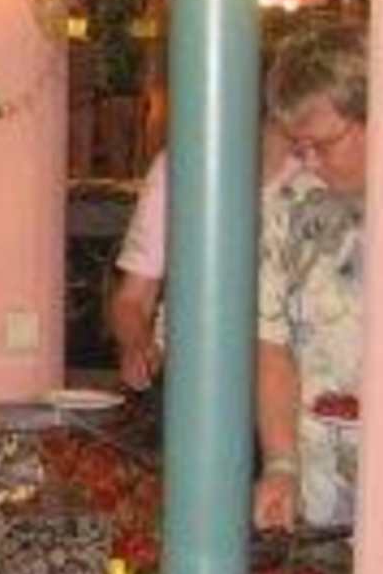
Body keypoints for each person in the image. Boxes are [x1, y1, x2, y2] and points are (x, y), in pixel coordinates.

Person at [251, 20, 367, 530]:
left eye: (323, 144)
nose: (310, 162)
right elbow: (271, 345)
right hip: (318, 484)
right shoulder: (289, 209)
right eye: (299, 148)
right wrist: (281, 465)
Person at [107, 121, 294, 391]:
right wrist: (138, 346)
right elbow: (133, 298)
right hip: (193, 371)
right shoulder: (180, 165)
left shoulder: (317, 169)